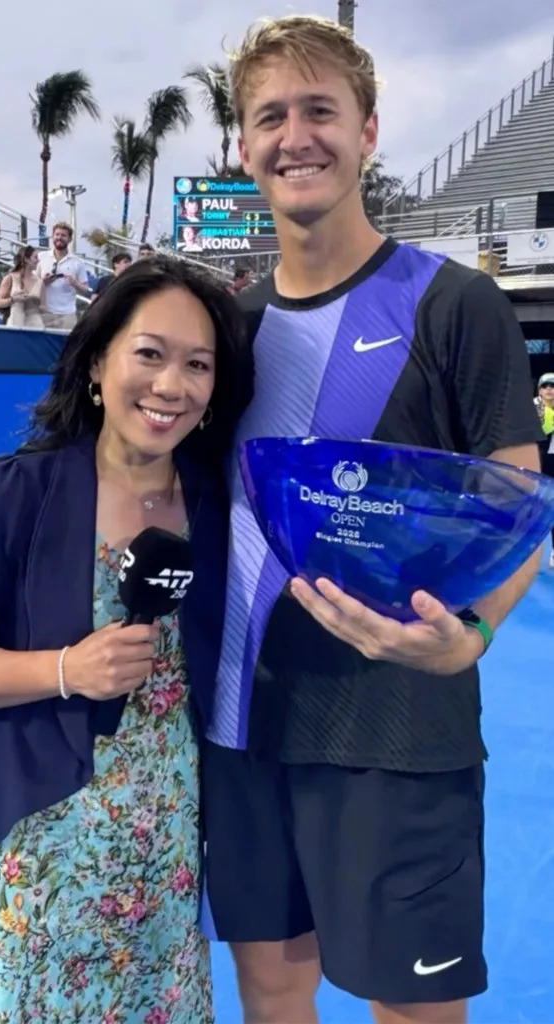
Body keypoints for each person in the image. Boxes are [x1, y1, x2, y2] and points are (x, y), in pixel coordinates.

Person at [201, 15, 544, 1024]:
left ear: (368, 131)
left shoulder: (454, 304)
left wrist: (469, 635)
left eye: (321, 111)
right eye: (271, 116)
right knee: (272, 990)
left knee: (413, 1011)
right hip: (242, 723)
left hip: (398, 727)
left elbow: (519, 503)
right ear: (242, 146)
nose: (295, 135)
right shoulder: (228, 330)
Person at [0, 255, 253, 1023]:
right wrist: (66, 668)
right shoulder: (15, 492)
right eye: (149, 354)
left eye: (198, 365)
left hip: (163, 838)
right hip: (33, 839)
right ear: (99, 361)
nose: (171, 385)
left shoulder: (218, 498)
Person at [38, 221, 90, 330]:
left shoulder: (77, 262)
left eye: (63, 235)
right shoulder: (41, 257)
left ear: (69, 239)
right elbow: (32, 284)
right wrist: (43, 282)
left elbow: (85, 289)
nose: (59, 238)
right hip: (44, 313)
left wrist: (75, 283)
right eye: (57, 234)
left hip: (68, 315)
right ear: (52, 236)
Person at [0, 245, 44, 328]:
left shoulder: (40, 281)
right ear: (26, 259)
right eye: (35, 257)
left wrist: (35, 301)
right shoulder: (10, 278)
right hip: (14, 322)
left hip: (34, 324)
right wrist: (14, 299)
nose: (38, 261)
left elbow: (44, 307)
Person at [534, 371, 554, 567]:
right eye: (545, 386)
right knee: (534, 508)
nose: (549, 389)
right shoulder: (532, 407)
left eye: (553, 386)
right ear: (540, 389)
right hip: (535, 462)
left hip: (553, 459)